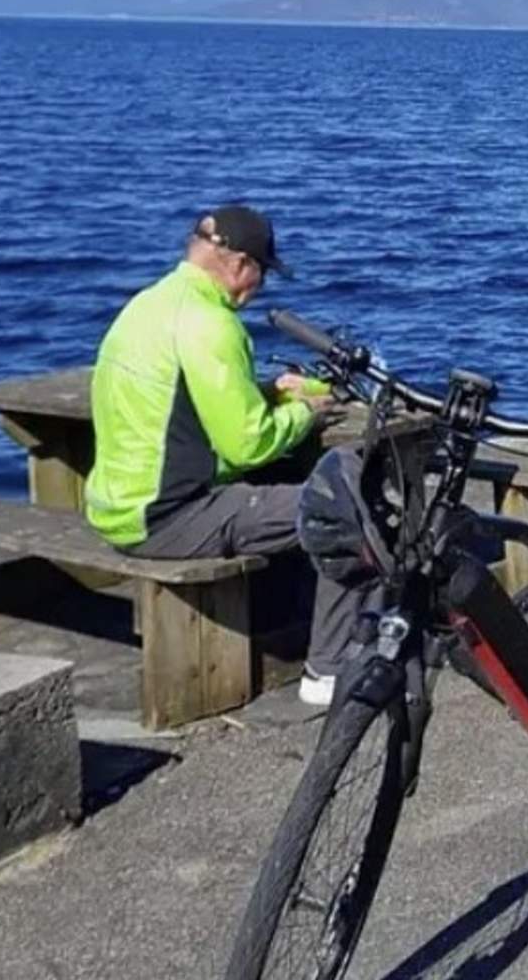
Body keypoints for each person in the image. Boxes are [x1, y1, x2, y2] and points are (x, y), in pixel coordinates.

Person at [84, 204, 353, 705]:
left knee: (281, 494)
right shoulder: (212, 324)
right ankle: (329, 670)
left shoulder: (148, 305)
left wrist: (269, 393)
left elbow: (185, 410)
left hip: (114, 508)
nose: (258, 289)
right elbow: (248, 445)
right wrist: (305, 414)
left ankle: (279, 627)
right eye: (261, 274)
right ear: (239, 264)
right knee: (341, 512)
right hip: (167, 518)